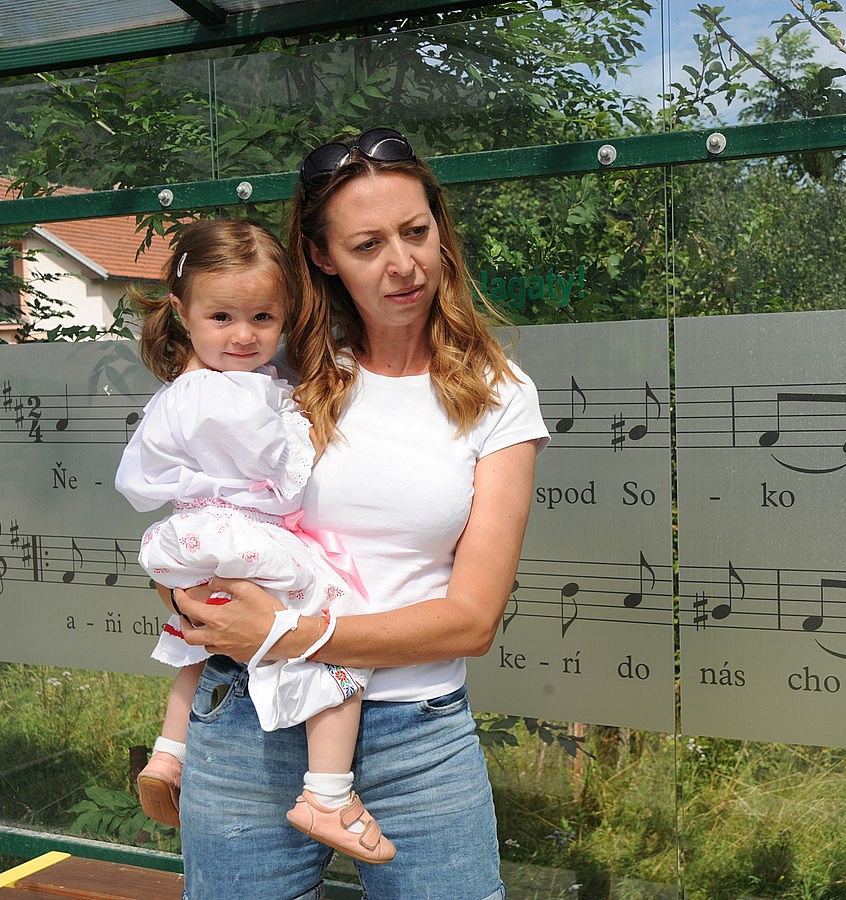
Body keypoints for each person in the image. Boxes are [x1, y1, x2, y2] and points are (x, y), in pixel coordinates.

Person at [164, 127, 549, 899]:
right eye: (368, 245)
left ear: (440, 230)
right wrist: (187, 596)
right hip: (248, 724)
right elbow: (194, 529)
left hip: (418, 737)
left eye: (415, 232)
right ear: (321, 256)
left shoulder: (499, 394)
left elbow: (471, 621)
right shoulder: (274, 373)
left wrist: (290, 632)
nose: (402, 263)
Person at [114, 218, 395, 864]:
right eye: (222, 318)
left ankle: (169, 751)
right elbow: (285, 481)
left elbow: (138, 479)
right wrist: (307, 423)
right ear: (182, 313)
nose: (243, 335)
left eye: (262, 318)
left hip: (193, 531)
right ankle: (328, 791)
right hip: (242, 532)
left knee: (204, 637)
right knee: (338, 629)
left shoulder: (183, 388)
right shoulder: (229, 395)